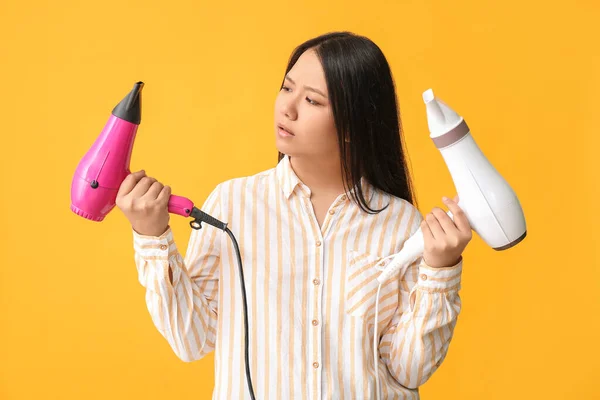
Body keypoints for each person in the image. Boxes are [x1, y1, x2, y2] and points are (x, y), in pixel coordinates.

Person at [116, 31, 472, 400]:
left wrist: (440, 271)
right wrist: (152, 237)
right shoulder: (232, 204)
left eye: (312, 100)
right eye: (287, 88)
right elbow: (192, 340)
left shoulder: (399, 223)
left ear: (353, 125)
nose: (288, 108)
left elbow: (408, 369)